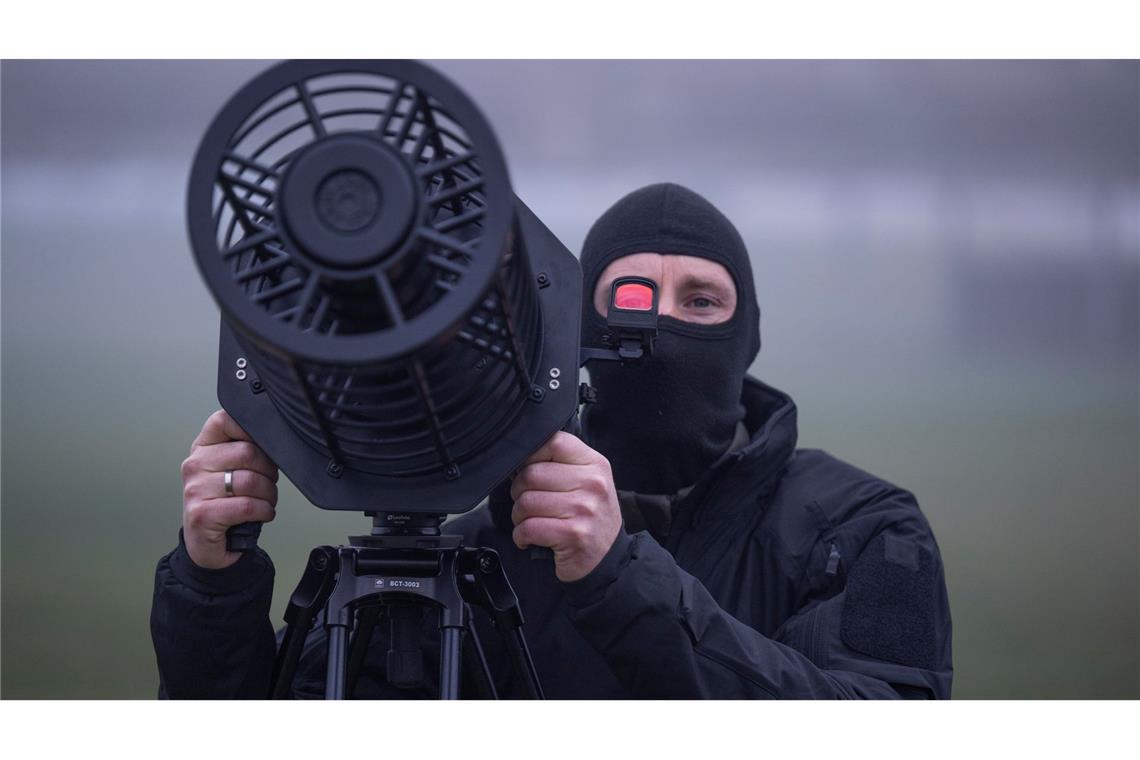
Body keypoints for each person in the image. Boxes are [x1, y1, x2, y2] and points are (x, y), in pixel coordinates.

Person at [152, 182, 953, 699]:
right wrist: (212, 587)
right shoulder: (476, 555)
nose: (661, 324)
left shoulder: (861, 530)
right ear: (572, 332)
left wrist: (619, 576)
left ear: (745, 337)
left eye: (700, 301)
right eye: (631, 296)